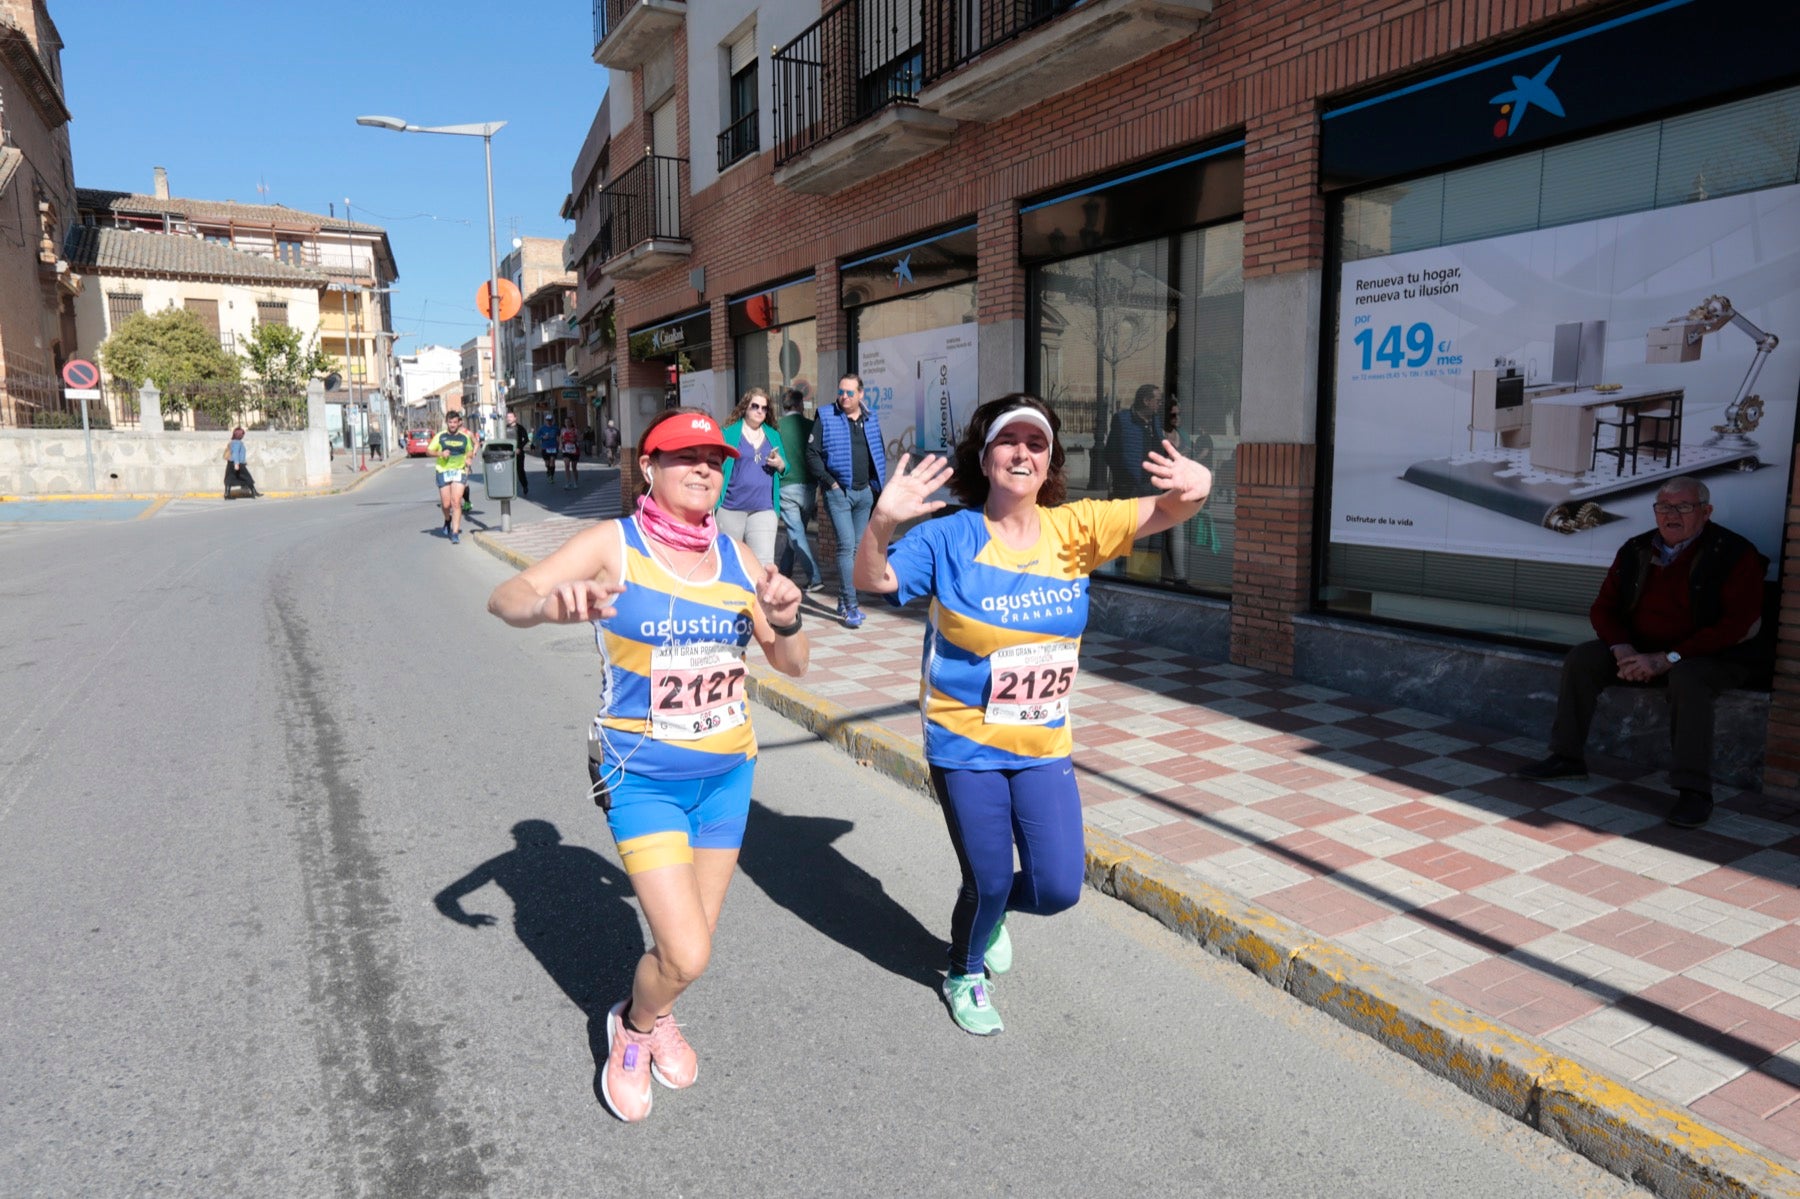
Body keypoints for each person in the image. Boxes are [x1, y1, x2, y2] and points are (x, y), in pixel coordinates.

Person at [485, 406, 809, 1123]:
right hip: (643, 777)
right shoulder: (614, 543)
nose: (704, 468)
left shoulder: (737, 555)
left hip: (728, 776)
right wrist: (549, 607)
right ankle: (632, 1026)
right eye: (684, 455)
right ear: (649, 466)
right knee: (689, 952)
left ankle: (657, 1008)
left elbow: (792, 662)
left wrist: (784, 615)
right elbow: (505, 597)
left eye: (715, 459)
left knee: (688, 943)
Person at [854, 393, 1211, 1036]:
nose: (1023, 453)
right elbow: (874, 582)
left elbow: (1171, 507)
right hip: (965, 742)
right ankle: (964, 971)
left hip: (1044, 742)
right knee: (988, 879)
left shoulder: (1075, 529)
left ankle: (993, 916)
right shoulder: (948, 536)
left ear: (1050, 464)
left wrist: (1199, 487)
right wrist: (881, 522)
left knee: (1057, 889)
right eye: (1008, 442)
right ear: (984, 456)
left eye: (1037, 444)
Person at [1514, 477, 1768, 829]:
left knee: (1688, 679)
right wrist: (1623, 650)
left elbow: (1737, 624)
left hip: (1713, 655)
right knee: (1582, 659)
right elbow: (1603, 609)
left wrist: (1668, 658)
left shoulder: (1736, 553)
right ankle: (1566, 758)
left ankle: (1694, 791)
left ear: (1705, 511)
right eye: (1663, 507)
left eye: (1683, 507)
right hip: (1641, 650)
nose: (1670, 515)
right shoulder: (1636, 548)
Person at [805, 373, 887, 629]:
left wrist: (876, 489)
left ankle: (843, 599)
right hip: (838, 493)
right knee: (845, 546)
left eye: (850, 393)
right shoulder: (826, 416)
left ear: (860, 394)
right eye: (841, 391)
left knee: (855, 549)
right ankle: (851, 606)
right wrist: (831, 483)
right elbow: (812, 454)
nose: (844, 397)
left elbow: (878, 451)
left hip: (864, 494)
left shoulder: (870, 418)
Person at [715, 388, 785, 567]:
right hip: (731, 507)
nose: (760, 411)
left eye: (764, 408)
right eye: (755, 406)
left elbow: (786, 466)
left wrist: (779, 464)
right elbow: (716, 467)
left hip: (764, 508)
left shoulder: (773, 435)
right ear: (745, 407)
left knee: (763, 565)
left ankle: (759, 596)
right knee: (729, 562)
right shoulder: (728, 433)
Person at [775, 389, 822, 592]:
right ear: (799, 405)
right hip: (809, 488)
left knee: (796, 534)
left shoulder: (775, 427)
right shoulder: (811, 426)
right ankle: (784, 572)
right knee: (797, 533)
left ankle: (815, 578)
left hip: (787, 486)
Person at [1106, 383, 1161, 499]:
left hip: (1152, 485)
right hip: (1129, 487)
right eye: (1157, 401)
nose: (1159, 405)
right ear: (1146, 401)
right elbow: (1111, 452)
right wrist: (1123, 477)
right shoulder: (1123, 420)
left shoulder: (1156, 421)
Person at [429, 411, 476, 544]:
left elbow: (470, 451)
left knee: (456, 502)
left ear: (459, 422)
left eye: (455, 422)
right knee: (446, 504)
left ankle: (455, 532)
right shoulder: (440, 436)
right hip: (443, 471)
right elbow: (429, 451)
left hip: (459, 471)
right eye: (450, 422)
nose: (453, 425)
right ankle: (447, 520)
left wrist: (468, 458)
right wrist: (440, 453)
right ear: (447, 422)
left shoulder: (464, 437)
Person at [223, 427, 260, 499]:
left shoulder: (233, 442)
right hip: (237, 463)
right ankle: (254, 492)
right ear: (240, 435)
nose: (243, 436)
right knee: (247, 477)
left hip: (230, 463)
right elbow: (236, 453)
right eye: (242, 434)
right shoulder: (237, 443)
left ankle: (227, 494)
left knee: (229, 478)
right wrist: (237, 464)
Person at [503, 410, 530, 498]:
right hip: (508, 453)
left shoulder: (520, 428)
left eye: (511, 417)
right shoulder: (504, 428)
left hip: (518, 453)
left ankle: (525, 485)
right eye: (508, 417)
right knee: (508, 471)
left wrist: (519, 448)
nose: (509, 419)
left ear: (515, 418)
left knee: (520, 471)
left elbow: (526, 439)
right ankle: (509, 489)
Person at [536, 415, 560, 484]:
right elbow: (537, 436)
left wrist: (559, 444)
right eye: (547, 420)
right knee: (547, 463)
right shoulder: (542, 428)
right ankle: (548, 470)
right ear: (545, 420)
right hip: (545, 447)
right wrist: (543, 437)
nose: (549, 421)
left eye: (550, 420)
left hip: (553, 447)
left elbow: (559, 435)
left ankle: (551, 476)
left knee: (552, 460)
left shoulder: (556, 428)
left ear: (552, 420)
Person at [559, 423, 582, 490]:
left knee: (574, 467)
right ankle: (568, 482)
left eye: (568, 422)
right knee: (566, 465)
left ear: (571, 423)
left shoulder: (575, 430)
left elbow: (580, 438)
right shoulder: (563, 430)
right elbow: (560, 438)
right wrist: (561, 444)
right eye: (565, 422)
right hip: (566, 450)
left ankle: (575, 482)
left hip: (574, 450)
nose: (567, 424)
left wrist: (576, 440)